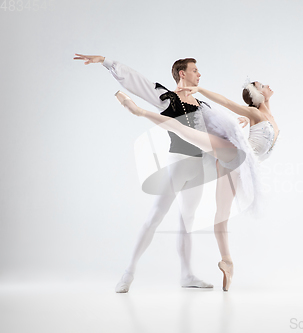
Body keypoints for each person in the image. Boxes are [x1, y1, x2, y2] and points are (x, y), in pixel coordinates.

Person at [115, 79, 279, 291]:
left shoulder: (265, 116)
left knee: (221, 215)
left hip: (239, 167)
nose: (267, 85)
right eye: (262, 84)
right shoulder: (255, 113)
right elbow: (227, 102)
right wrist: (200, 89)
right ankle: (139, 112)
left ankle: (226, 261)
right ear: (257, 94)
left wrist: (237, 125)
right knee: (189, 133)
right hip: (235, 153)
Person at [74, 53, 213, 292]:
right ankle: (128, 273)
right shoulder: (167, 97)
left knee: (187, 222)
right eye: (195, 70)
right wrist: (107, 62)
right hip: (178, 163)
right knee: (155, 217)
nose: (199, 74)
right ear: (183, 73)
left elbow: (221, 131)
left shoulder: (203, 105)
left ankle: (187, 274)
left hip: (198, 168)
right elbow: (138, 82)